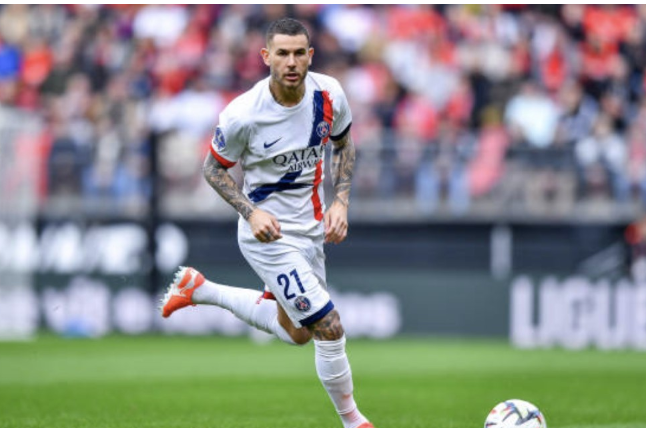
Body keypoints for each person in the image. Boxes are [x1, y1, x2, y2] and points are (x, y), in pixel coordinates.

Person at [160, 17, 375, 428]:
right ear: (266, 57)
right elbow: (213, 169)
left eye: (298, 53)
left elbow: (344, 144)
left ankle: (200, 289)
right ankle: (354, 422)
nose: (291, 62)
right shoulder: (243, 114)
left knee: (298, 333)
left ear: (310, 56)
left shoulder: (330, 94)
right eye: (282, 53)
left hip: (310, 229)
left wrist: (341, 201)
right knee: (328, 326)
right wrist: (250, 212)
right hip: (267, 234)